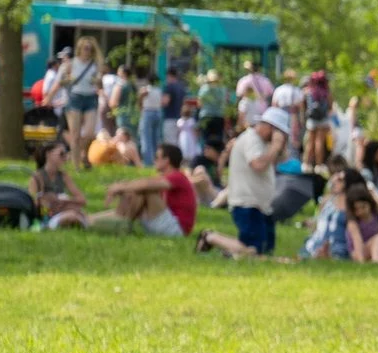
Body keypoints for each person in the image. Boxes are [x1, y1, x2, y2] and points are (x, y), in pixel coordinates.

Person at [198, 107, 289, 258]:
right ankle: (210, 237)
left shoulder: (262, 142)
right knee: (253, 249)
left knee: (265, 248)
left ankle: (230, 253)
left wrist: (279, 148)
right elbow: (258, 165)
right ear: (269, 127)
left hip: (260, 205)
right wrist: (275, 146)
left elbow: (281, 160)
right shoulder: (252, 139)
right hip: (247, 203)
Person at [87, 143, 199, 237]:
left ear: (166, 160)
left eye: (156, 157)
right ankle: (89, 220)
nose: (154, 160)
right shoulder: (165, 178)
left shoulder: (178, 176)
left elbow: (145, 185)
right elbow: (141, 184)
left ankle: (115, 224)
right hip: (167, 224)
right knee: (136, 190)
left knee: (144, 190)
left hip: (177, 229)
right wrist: (122, 187)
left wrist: (120, 187)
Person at [55, 39, 102, 158]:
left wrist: (97, 80)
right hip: (74, 99)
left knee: (90, 133)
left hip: (90, 98)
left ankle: (76, 153)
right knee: (74, 135)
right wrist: (70, 79)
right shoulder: (71, 64)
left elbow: (100, 83)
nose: (88, 51)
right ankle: (77, 165)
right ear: (79, 49)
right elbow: (61, 82)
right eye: (86, 48)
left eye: (90, 49)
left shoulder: (94, 64)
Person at [30, 143, 90, 229]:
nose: (65, 158)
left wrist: (65, 201)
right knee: (72, 216)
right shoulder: (37, 177)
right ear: (48, 154)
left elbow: (82, 200)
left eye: (66, 154)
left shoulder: (63, 176)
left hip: (66, 212)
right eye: (61, 154)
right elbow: (34, 203)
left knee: (74, 216)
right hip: (49, 217)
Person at [137, 66, 170, 168]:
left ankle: (148, 162)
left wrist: (140, 107)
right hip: (158, 112)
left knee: (146, 138)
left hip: (148, 112)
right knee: (156, 138)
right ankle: (157, 160)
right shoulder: (160, 90)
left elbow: (139, 101)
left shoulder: (145, 90)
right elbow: (164, 102)